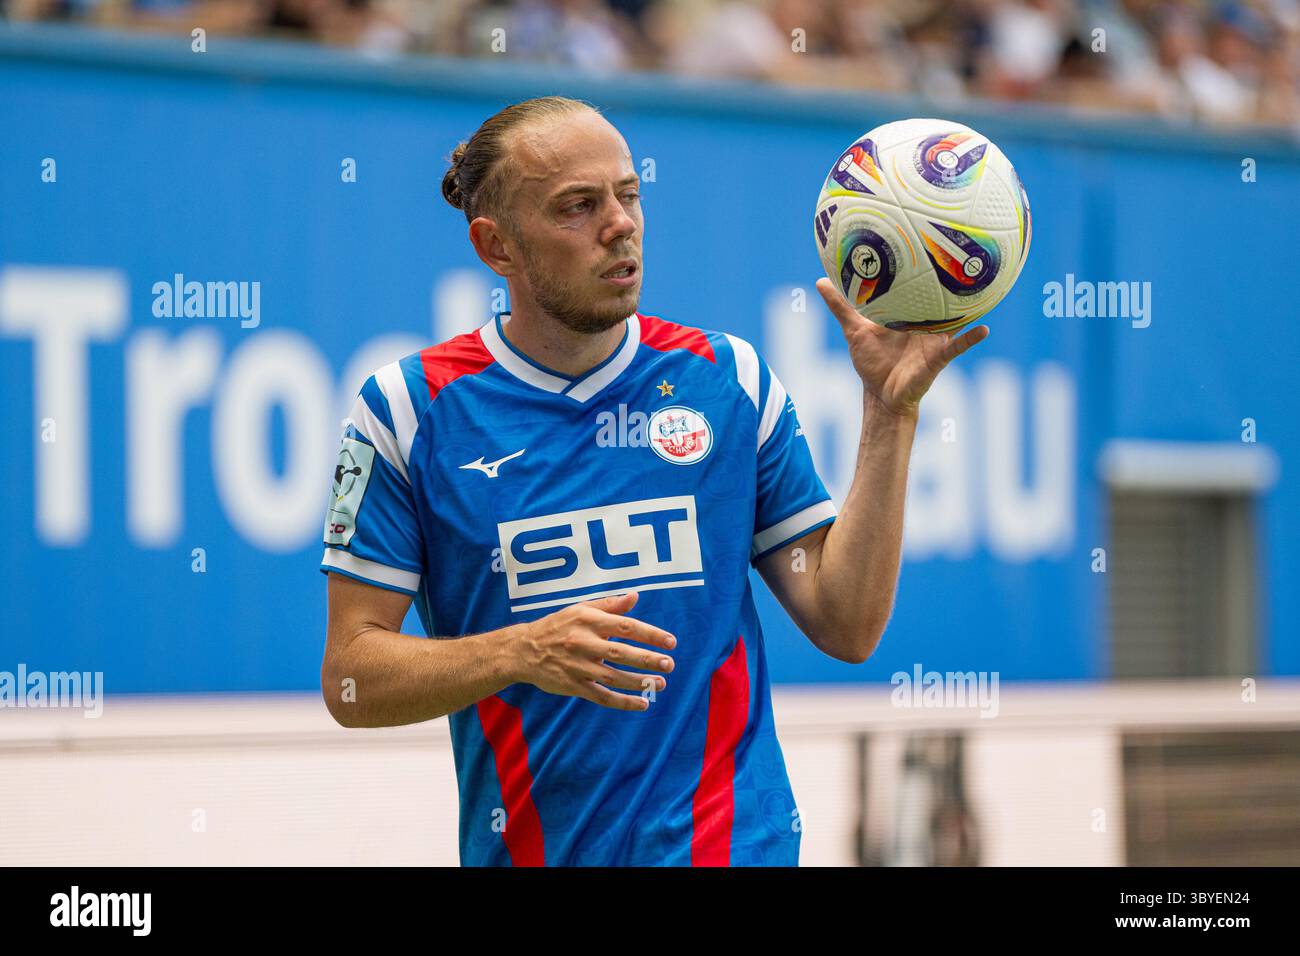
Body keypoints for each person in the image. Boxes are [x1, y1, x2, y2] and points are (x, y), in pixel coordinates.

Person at [318, 95, 987, 866]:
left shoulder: (728, 379)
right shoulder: (407, 411)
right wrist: (520, 651)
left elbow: (847, 624)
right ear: (496, 247)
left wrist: (888, 415)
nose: (620, 224)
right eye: (578, 206)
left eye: (628, 195)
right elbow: (351, 679)